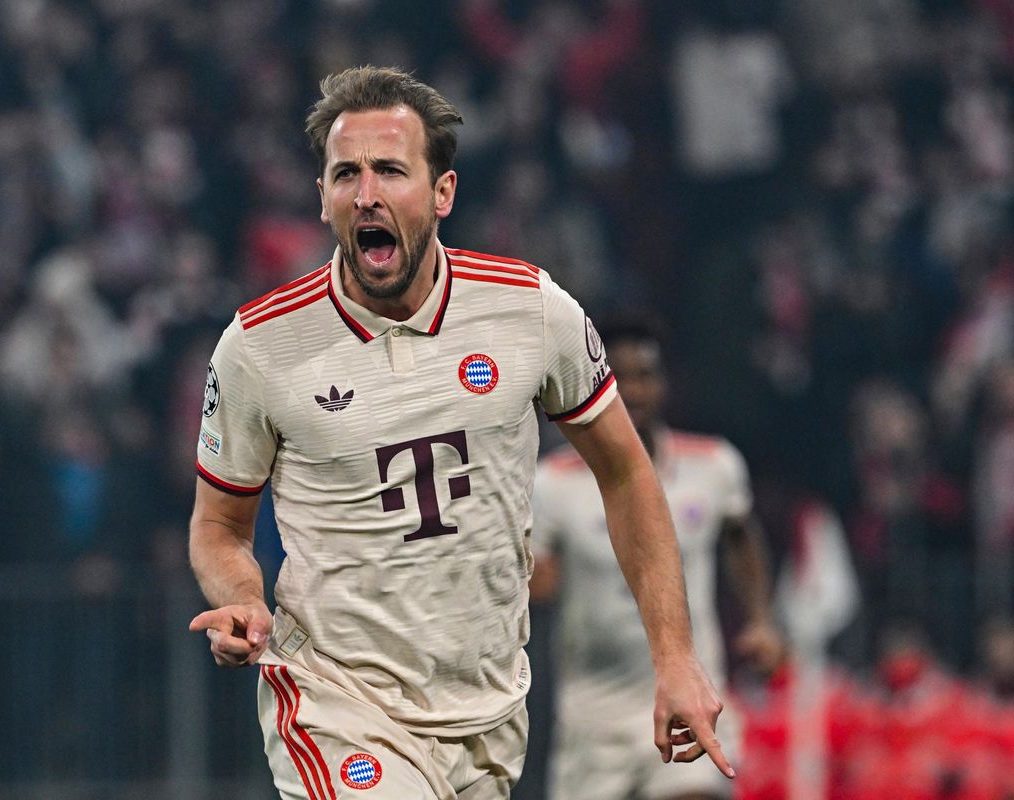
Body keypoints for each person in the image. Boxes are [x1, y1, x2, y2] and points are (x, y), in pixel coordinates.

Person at [187, 66, 732, 800]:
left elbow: (628, 473)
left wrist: (676, 657)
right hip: (335, 702)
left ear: (443, 192)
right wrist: (244, 598)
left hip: (487, 712)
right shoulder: (259, 346)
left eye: (390, 170)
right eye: (346, 174)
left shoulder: (530, 311)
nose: (366, 193)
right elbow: (219, 525)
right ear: (322, 197)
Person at [531, 316, 784, 800]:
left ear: (665, 383)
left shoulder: (713, 465)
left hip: (686, 694)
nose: (633, 392)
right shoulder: (553, 483)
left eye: (645, 376)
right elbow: (539, 584)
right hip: (592, 714)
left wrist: (761, 619)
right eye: (619, 378)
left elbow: (740, 534)